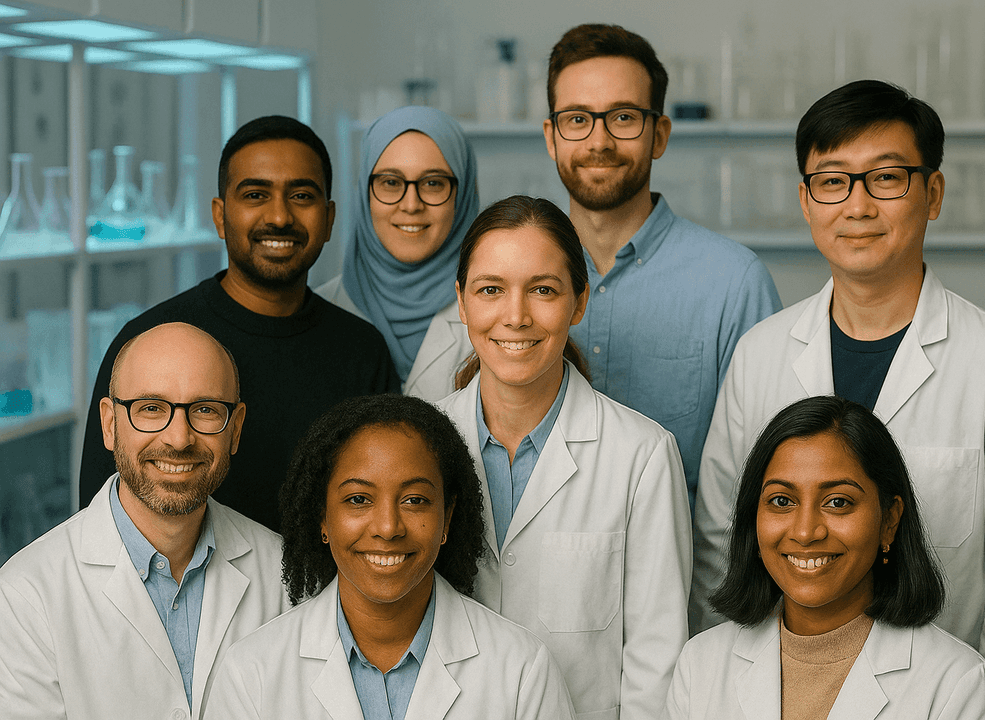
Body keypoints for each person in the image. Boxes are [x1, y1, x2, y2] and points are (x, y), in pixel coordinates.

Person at [691, 80, 985, 720]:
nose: (858, 205)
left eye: (887, 178)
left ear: (933, 193)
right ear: (806, 201)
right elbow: (719, 543)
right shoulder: (761, 354)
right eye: (832, 182)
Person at [438, 195, 692, 719]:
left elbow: (656, 661)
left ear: (579, 302)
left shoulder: (641, 455)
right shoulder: (422, 442)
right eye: (491, 290)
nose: (516, 316)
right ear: (462, 303)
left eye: (543, 290)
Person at [79, 115, 399, 532]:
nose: (280, 216)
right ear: (220, 215)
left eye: (302, 195)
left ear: (329, 218)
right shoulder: (150, 342)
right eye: (255, 195)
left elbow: (383, 501)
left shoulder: (362, 350)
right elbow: (97, 518)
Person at [204, 394, 575, 719]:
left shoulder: (522, 670)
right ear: (323, 517)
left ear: (446, 518)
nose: (388, 527)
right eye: (358, 499)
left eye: (415, 500)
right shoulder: (251, 672)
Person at [543, 23, 781, 509]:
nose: (599, 141)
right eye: (577, 119)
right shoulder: (514, 277)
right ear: (552, 136)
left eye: (624, 117)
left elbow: (769, 466)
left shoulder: (734, 283)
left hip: (688, 557)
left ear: (660, 135)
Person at [0, 322, 290, 720]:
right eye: (151, 409)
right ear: (109, 424)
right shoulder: (24, 595)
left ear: (235, 429)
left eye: (205, 410)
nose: (178, 438)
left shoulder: (284, 574)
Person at [666, 396, 985, 719]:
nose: (805, 532)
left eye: (838, 502)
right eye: (782, 501)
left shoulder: (959, 685)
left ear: (889, 521)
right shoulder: (700, 665)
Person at [319, 106, 480, 400]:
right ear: (365, 192)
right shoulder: (320, 310)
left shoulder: (498, 316)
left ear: (463, 194)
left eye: (433, 183)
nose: (411, 205)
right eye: (391, 183)